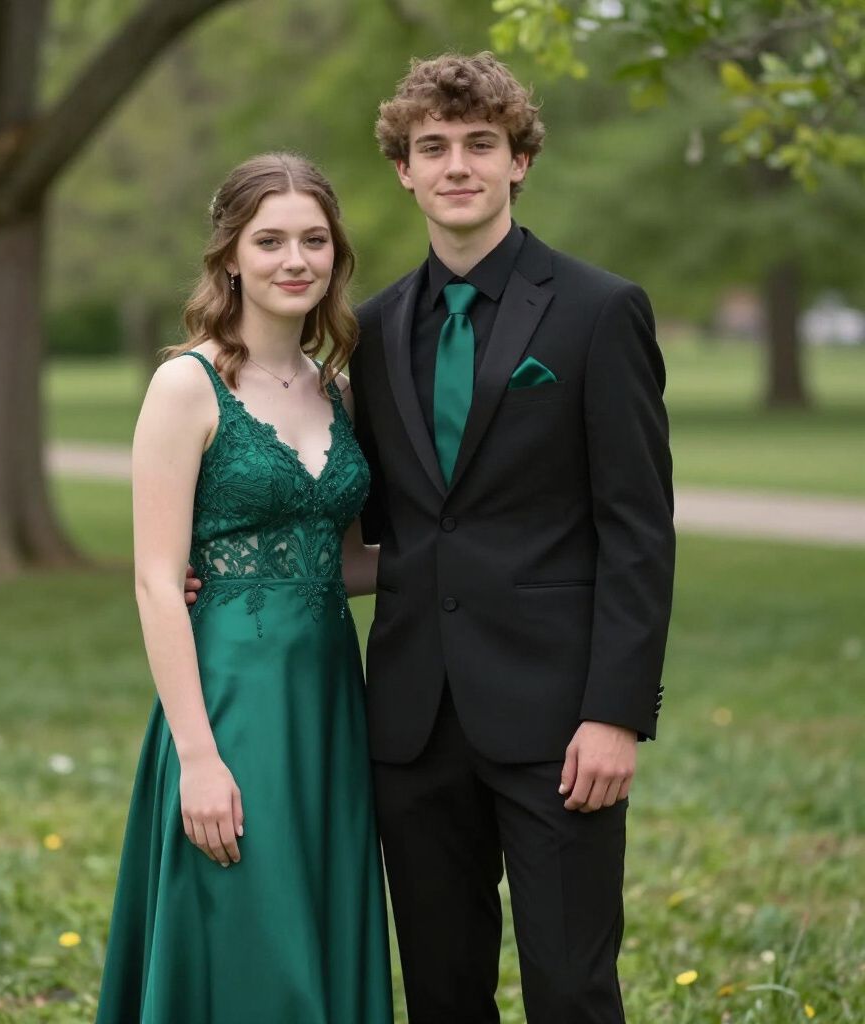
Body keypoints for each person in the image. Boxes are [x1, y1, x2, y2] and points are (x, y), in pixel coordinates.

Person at [349, 52, 676, 1023]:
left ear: (519, 159)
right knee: (443, 992)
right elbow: (383, 526)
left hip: (559, 723)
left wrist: (615, 711)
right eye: (433, 147)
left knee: (570, 987)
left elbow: (637, 529)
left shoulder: (596, 310)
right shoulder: (367, 332)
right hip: (412, 719)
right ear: (403, 170)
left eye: (479, 144)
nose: (457, 164)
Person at [95, 152, 392, 1024]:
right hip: (229, 701)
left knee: (315, 923)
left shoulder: (338, 391)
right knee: (244, 930)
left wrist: (469, 562)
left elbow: (334, 563)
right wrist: (197, 756)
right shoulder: (186, 385)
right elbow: (155, 579)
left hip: (330, 703)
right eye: (270, 240)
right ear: (231, 255)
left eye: (314, 240)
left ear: (336, 256)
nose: (294, 259)